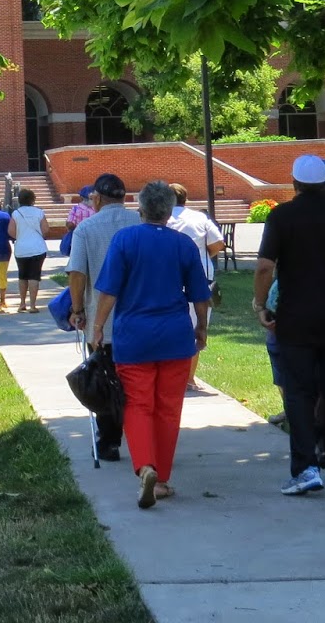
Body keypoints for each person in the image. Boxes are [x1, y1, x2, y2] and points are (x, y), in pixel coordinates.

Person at [251, 154, 325, 496]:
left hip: (295, 319)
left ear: (294, 183)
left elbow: (264, 267)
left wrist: (261, 305)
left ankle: (305, 468)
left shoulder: (281, 216)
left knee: (299, 393)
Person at [90, 180, 211, 509]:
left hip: (134, 338)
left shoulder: (125, 240)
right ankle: (163, 479)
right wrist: (201, 327)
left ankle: (145, 467)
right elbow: (200, 294)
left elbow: (109, 291)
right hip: (175, 336)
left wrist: (97, 327)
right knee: (169, 408)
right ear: (170, 211)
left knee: (138, 404)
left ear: (140, 208)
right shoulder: (184, 245)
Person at [66, 173, 140, 460]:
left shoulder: (86, 229)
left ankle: (109, 441)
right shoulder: (140, 223)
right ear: (125, 198)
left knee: (105, 381)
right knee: (136, 382)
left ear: (96, 198)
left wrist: (77, 310)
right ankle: (140, 438)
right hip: (137, 319)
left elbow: (77, 273)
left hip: (102, 323)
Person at [169, 183, 226, 390]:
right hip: (201, 277)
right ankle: (189, 378)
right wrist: (203, 256)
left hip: (171, 279)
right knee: (197, 327)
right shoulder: (199, 218)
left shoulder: (163, 218)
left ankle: (173, 376)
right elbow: (219, 243)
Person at [8, 187, 49, 313]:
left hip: (21, 249)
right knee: (34, 277)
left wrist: (20, 237)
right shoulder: (39, 212)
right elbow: (46, 230)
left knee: (22, 276)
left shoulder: (16, 214)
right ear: (33, 200)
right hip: (37, 248)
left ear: (19, 200)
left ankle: (22, 303)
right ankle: (33, 305)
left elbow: (11, 231)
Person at [61, 185, 94, 257]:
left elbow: (69, 224)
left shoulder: (76, 209)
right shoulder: (97, 209)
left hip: (79, 241)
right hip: (94, 240)